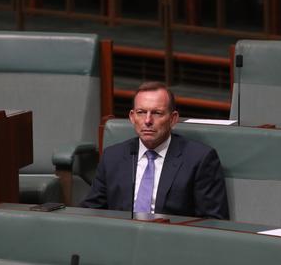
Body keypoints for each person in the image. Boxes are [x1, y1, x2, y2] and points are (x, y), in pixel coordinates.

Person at [82, 81, 229, 219]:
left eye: (157, 113)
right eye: (141, 112)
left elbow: (213, 222)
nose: (147, 120)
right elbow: (91, 210)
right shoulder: (112, 157)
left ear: (173, 119)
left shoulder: (199, 159)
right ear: (132, 117)